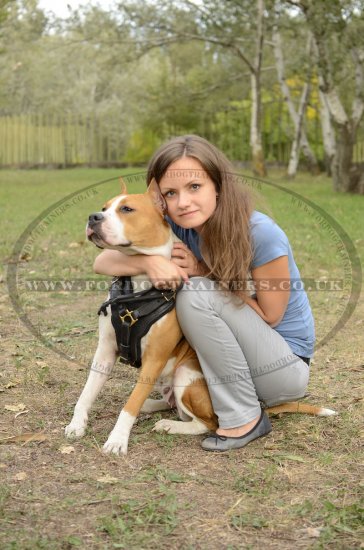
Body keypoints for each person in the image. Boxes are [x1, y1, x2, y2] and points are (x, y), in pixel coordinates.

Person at [94, 135, 315, 452]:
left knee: (195, 291)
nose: (183, 202)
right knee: (194, 292)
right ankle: (194, 396)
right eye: (171, 193)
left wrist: (202, 271)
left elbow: (271, 315)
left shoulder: (261, 233)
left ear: (218, 186)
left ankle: (244, 418)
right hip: (230, 361)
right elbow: (101, 261)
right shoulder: (180, 225)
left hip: (280, 369)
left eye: (194, 187)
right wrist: (150, 261)